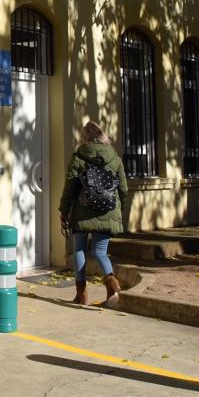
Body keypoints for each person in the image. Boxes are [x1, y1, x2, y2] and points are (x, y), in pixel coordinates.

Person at [59, 119, 128, 305]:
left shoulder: (78, 157)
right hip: (108, 209)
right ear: (102, 135)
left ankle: (81, 295)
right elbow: (123, 190)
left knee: (79, 250)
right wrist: (118, 210)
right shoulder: (115, 158)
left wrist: (64, 211)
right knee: (100, 252)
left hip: (82, 211)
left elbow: (69, 188)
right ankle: (112, 285)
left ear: (84, 137)